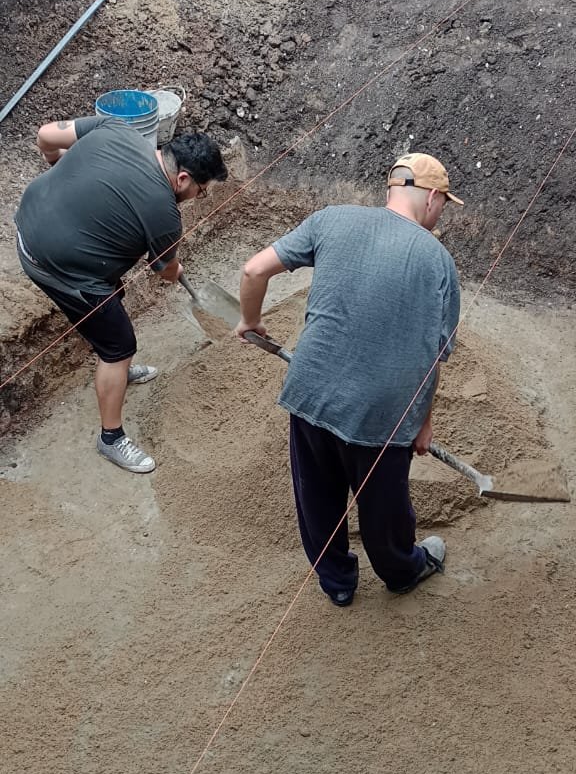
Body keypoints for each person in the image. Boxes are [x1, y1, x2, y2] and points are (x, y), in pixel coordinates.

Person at [235, 153, 462, 607]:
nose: (440, 215)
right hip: (382, 414)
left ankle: (337, 581)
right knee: (384, 508)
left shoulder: (332, 218)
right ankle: (402, 570)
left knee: (316, 496)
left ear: (391, 190)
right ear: (433, 197)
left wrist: (251, 321)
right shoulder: (440, 262)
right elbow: (433, 355)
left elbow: (253, 269)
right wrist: (423, 421)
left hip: (310, 391)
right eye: (443, 204)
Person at [15, 115, 227, 474]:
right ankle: (111, 438)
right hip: (53, 267)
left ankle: (117, 373)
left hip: (27, 221)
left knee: (115, 291)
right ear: (183, 179)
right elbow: (166, 273)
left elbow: (45, 135)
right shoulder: (164, 215)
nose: (197, 198)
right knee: (119, 345)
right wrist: (175, 268)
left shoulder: (118, 129)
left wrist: (60, 169)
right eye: (200, 191)